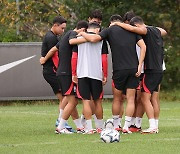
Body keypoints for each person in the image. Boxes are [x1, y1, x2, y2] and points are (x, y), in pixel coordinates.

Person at [73, 14, 146, 134]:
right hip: (134, 68)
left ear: (111, 22)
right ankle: (127, 127)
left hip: (119, 69)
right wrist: (140, 64)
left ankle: (116, 125)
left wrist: (83, 33)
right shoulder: (131, 30)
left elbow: (93, 39)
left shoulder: (110, 30)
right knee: (131, 99)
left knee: (117, 98)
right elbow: (143, 46)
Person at [112, 16, 167, 133]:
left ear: (136, 26)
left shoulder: (145, 30)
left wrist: (118, 24)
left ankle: (153, 127)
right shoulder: (156, 30)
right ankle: (155, 124)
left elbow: (140, 30)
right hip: (159, 69)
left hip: (151, 69)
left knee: (144, 98)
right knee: (154, 98)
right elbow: (164, 31)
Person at [40, 21, 89, 134]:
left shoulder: (63, 37)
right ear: (82, 30)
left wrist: (44, 58)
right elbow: (72, 41)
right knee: (72, 102)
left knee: (72, 101)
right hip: (66, 73)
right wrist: (89, 38)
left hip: (62, 72)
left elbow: (53, 49)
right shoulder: (72, 33)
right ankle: (61, 126)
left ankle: (79, 127)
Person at [70, 22, 108, 134]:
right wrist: (104, 74)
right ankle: (100, 127)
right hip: (96, 73)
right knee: (97, 101)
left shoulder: (79, 38)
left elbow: (74, 57)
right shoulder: (100, 39)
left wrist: (74, 73)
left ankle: (89, 128)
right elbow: (104, 59)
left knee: (86, 101)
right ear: (97, 30)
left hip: (82, 73)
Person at [40, 16, 72, 129]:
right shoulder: (51, 38)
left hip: (50, 71)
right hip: (52, 71)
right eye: (62, 28)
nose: (63, 31)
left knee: (64, 98)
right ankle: (61, 121)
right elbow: (54, 54)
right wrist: (61, 68)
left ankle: (63, 121)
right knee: (67, 96)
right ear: (55, 25)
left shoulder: (53, 36)